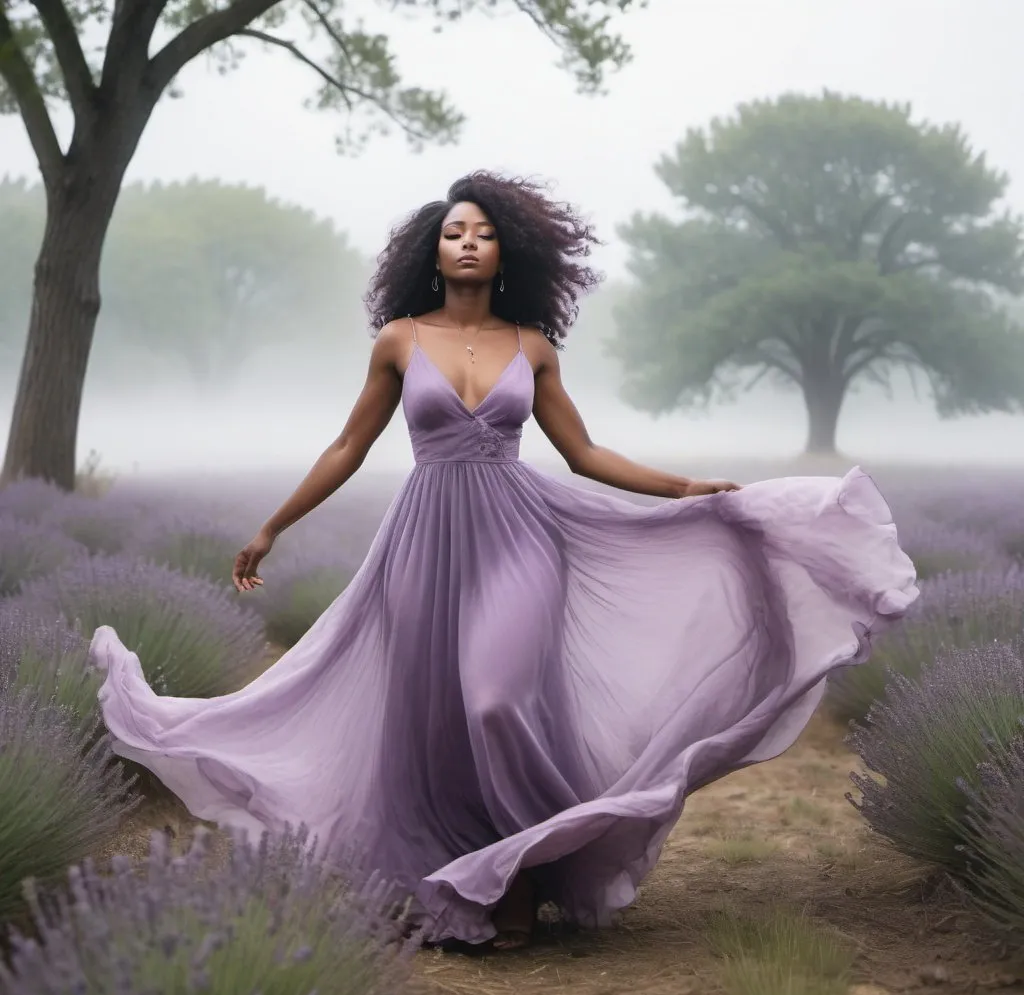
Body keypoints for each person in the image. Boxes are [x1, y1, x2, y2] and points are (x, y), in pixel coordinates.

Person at [91, 171, 918, 952]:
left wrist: (683, 488)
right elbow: (349, 443)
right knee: (434, 723)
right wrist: (274, 526)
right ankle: (450, 881)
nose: (468, 243)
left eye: (483, 233)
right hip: (423, 543)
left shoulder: (533, 346)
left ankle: (520, 870)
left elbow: (584, 451)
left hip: (521, 538)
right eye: (454, 232)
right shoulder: (399, 341)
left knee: (495, 701)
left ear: (505, 252)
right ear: (433, 251)